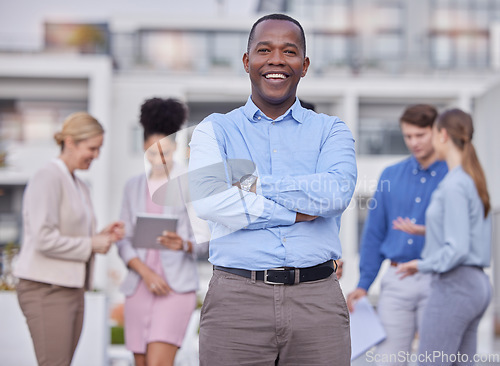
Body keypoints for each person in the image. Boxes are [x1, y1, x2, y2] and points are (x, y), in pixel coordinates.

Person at [188, 13, 357, 366]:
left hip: (318, 301)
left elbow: (336, 193)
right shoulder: (214, 130)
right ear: (248, 61)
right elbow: (208, 201)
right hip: (236, 301)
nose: (277, 60)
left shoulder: (332, 130)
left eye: (289, 51)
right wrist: (296, 211)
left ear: (305, 65)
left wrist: (251, 184)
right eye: (265, 50)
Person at [14, 112, 124, 366]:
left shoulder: (78, 184)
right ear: (71, 142)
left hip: (70, 288)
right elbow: (42, 237)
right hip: (46, 288)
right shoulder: (48, 177)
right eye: (92, 148)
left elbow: (70, 235)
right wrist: (90, 244)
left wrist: (101, 236)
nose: (96, 155)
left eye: (99, 149)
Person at [346, 104, 448, 364]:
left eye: (420, 135)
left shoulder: (454, 176)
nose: (413, 142)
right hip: (397, 278)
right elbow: (374, 232)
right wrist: (364, 283)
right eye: (408, 136)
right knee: (388, 359)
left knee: (435, 359)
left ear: (438, 132)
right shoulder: (390, 175)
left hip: (439, 279)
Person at [116, 97, 209, 366]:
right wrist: (145, 273)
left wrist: (183, 244)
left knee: (158, 363)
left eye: (166, 151)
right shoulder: (132, 186)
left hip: (175, 289)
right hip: (139, 287)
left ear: (176, 148)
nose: (160, 158)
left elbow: (205, 241)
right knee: (141, 362)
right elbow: (123, 240)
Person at [396, 108, 491, 365]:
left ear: (443, 135)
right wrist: (427, 230)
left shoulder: (453, 184)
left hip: (455, 284)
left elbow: (458, 248)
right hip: (476, 284)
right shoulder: (470, 179)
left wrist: (421, 264)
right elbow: (466, 232)